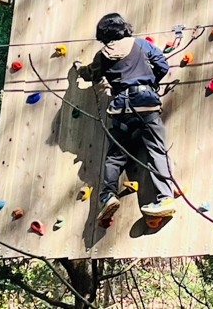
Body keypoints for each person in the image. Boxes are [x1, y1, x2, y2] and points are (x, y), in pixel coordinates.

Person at [75, 13, 175, 222]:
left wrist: (78, 69)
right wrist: (150, 84)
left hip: (121, 109)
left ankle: (108, 195)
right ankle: (165, 197)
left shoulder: (103, 55)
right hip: (146, 104)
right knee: (156, 150)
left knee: (116, 156)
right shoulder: (141, 45)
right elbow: (163, 66)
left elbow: (91, 74)